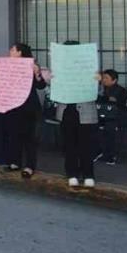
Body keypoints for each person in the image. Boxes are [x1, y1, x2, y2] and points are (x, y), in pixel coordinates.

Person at [56, 40, 98, 188]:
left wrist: (96, 80)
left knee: (86, 145)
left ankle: (88, 174)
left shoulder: (89, 66)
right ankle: (72, 173)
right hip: (67, 110)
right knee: (69, 145)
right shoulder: (59, 68)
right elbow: (50, 85)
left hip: (85, 112)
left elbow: (97, 92)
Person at [6, 43, 46, 178]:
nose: (10, 52)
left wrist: (37, 74)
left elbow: (41, 86)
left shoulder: (31, 65)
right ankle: (14, 162)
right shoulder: (7, 66)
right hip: (13, 104)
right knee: (14, 134)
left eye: (12, 50)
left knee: (29, 137)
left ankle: (29, 166)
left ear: (20, 53)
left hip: (29, 106)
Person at [97, 69, 127, 166]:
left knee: (110, 128)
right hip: (101, 115)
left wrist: (107, 99)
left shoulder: (121, 90)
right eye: (103, 78)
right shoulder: (101, 89)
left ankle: (110, 155)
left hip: (116, 116)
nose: (104, 80)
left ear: (114, 80)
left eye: (106, 78)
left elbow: (120, 104)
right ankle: (98, 152)